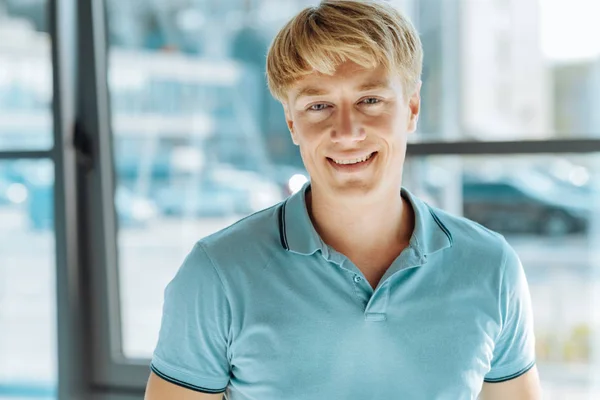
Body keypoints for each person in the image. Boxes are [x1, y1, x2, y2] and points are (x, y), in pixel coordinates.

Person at [145, 1, 541, 399]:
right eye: (319, 106)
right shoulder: (217, 274)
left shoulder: (491, 267)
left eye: (370, 100)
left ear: (412, 108)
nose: (346, 132)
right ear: (291, 123)